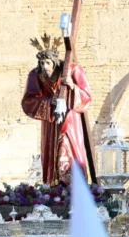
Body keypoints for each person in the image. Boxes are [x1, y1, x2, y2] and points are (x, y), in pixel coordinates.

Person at [21, 32, 94, 186]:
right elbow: (28, 101)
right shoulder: (36, 75)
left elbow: (86, 96)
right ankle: (53, 186)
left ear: (54, 62)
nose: (44, 67)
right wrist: (48, 101)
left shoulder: (72, 70)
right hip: (50, 120)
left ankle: (73, 184)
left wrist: (72, 87)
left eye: (47, 63)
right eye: (42, 63)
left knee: (68, 148)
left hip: (70, 120)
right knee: (51, 152)